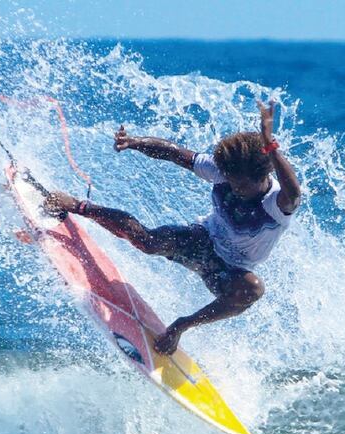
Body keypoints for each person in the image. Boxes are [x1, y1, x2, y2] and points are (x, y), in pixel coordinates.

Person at [45, 100, 301, 355]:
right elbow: (174, 153)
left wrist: (270, 145)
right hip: (202, 241)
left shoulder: (276, 205)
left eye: (242, 186)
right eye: (231, 182)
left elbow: (294, 191)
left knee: (251, 290)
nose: (235, 189)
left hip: (229, 272)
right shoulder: (223, 172)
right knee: (148, 241)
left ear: (262, 177)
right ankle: (79, 206)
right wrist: (134, 142)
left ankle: (180, 326)